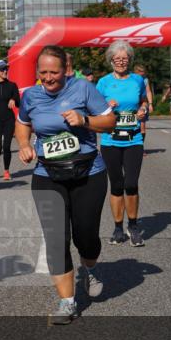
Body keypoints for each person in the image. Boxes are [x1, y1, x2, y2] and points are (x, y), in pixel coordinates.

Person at [15, 45, 116, 325]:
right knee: (56, 239)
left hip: (88, 173)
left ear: (66, 70)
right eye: (43, 72)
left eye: (54, 72)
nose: (48, 78)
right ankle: (67, 302)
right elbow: (23, 123)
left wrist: (85, 120)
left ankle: (90, 268)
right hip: (47, 175)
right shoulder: (31, 95)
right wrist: (24, 144)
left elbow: (110, 121)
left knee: (86, 237)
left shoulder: (83, 89)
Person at [96, 42, 149, 247]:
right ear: (111, 60)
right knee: (117, 184)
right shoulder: (103, 82)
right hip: (110, 140)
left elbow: (143, 101)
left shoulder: (137, 80)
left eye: (124, 58)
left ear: (130, 60)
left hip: (133, 139)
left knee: (131, 183)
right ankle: (118, 228)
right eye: (117, 58)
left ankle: (133, 226)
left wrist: (143, 109)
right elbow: (94, 109)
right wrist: (105, 106)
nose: (121, 62)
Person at [133, 64, 155, 149]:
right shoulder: (130, 79)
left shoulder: (145, 80)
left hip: (142, 104)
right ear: (136, 72)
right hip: (132, 104)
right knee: (132, 126)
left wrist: (150, 104)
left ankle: (140, 147)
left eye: (143, 72)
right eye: (141, 72)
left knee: (142, 126)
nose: (142, 73)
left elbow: (148, 92)